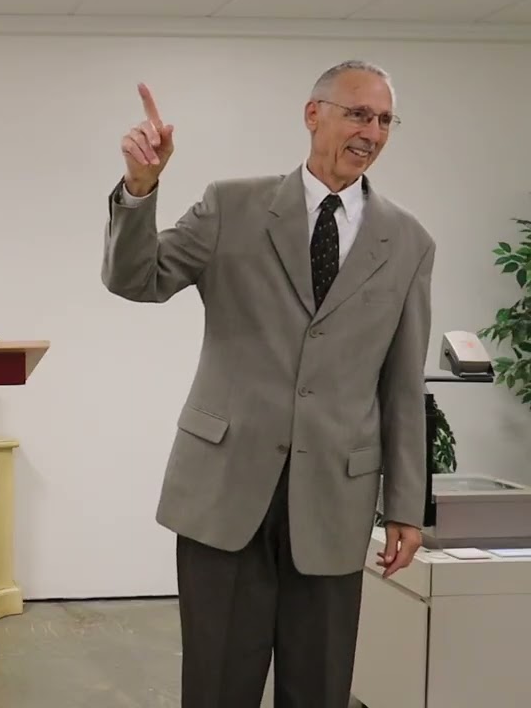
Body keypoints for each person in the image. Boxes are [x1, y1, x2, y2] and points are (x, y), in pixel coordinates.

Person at [101, 60, 433, 707]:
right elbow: (137, 279)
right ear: (313, 114)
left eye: (384, 120)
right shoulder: (232, 206)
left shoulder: (409, 242)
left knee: (319, 687)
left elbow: (401, 384)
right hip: (224, 491)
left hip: (335, 498)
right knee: (218, 686)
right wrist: (140, 188)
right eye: (357, 114)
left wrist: (405, 506)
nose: (371, 132)